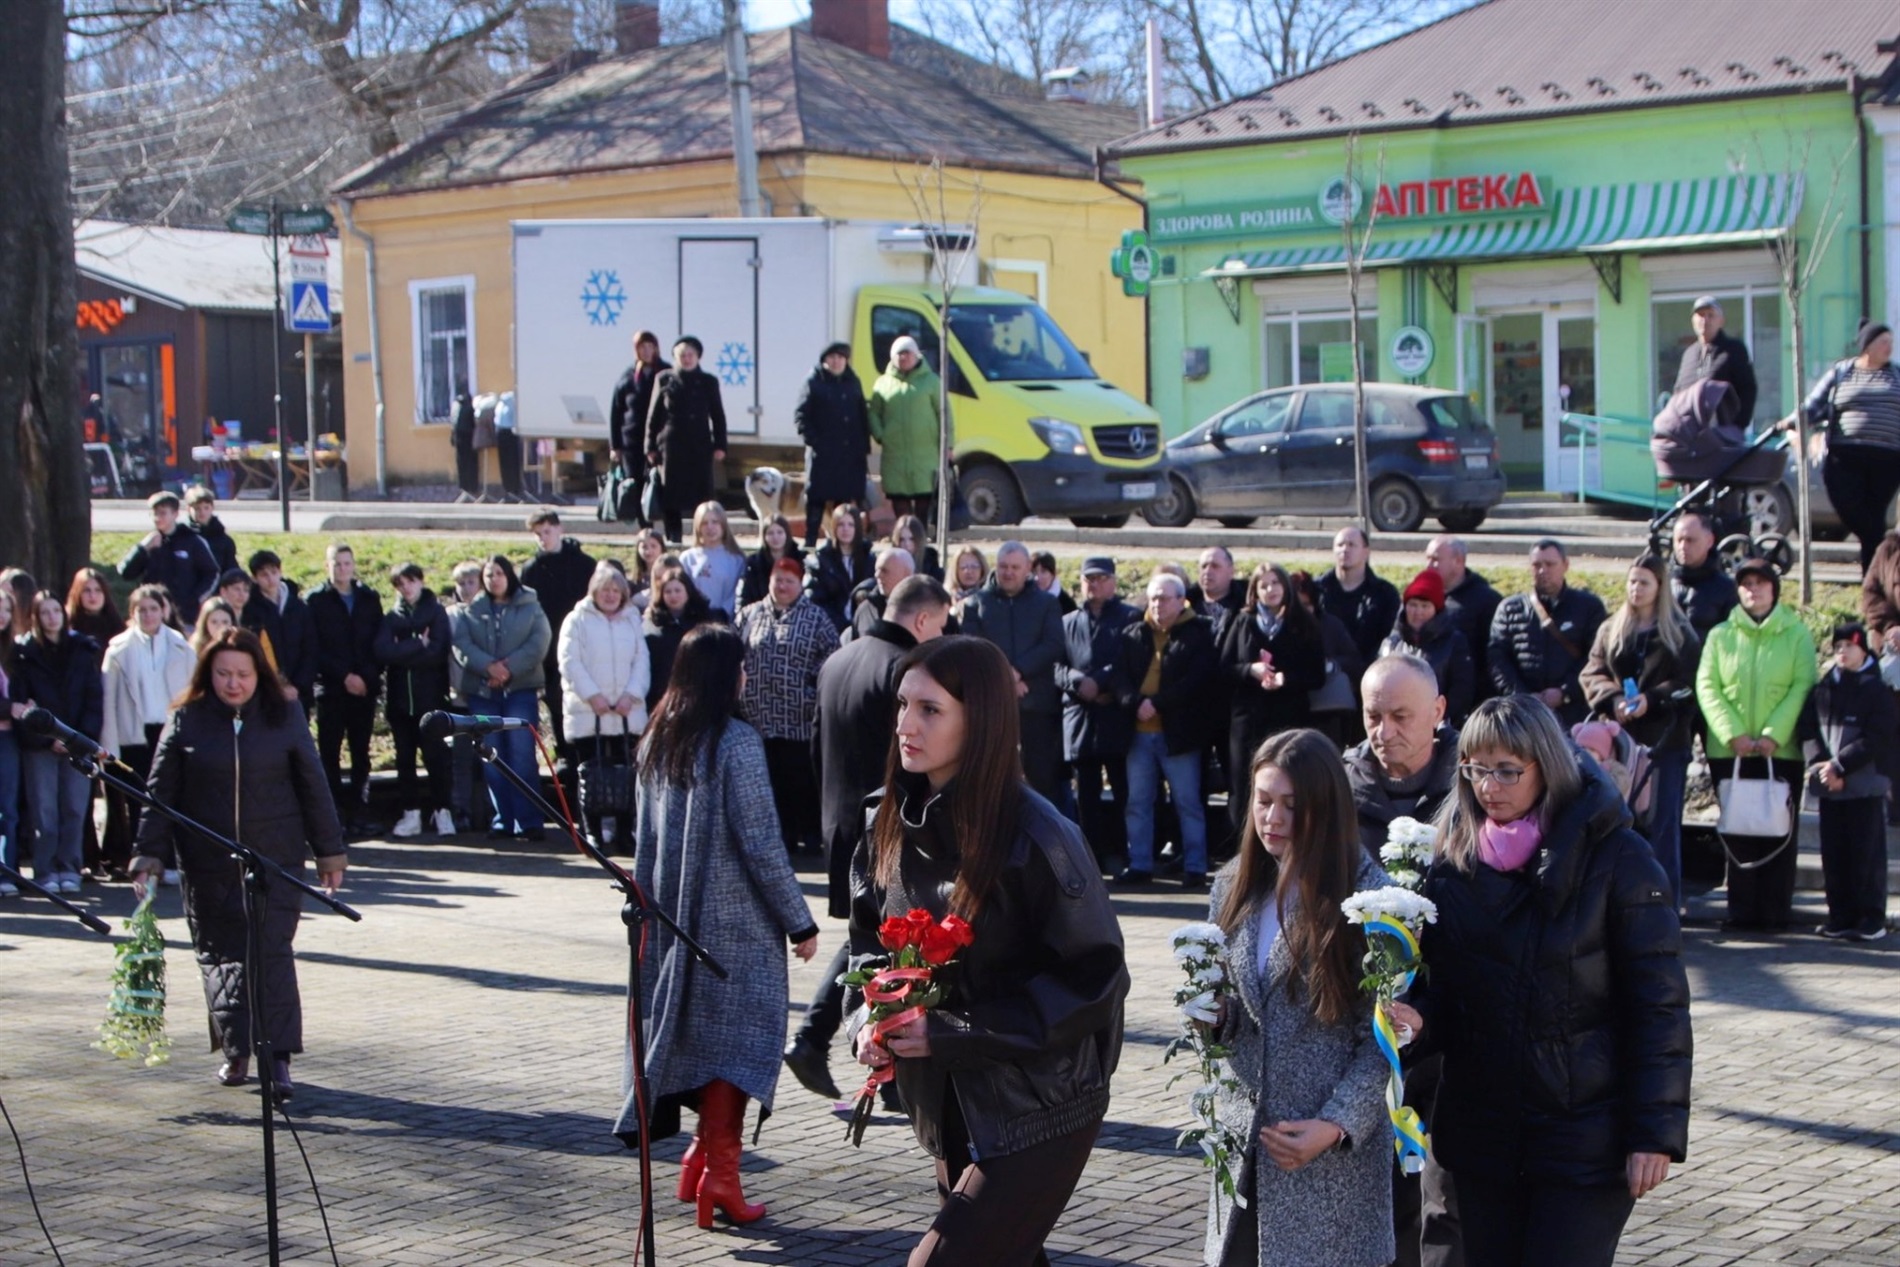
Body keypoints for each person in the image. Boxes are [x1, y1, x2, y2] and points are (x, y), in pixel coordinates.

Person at [848, 635, 1127, 1266]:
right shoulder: (883, 823)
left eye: (929, 709)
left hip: (1043, 1102)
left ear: (982, 721)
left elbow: (1096, 980)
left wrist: (950, 1032)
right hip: (948, 1097)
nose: (904, 726)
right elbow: (866, 947)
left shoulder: (1041, 839)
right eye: (902, 705)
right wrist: (869, 1019)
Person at [1397, 696, 1691, 1267]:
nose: (1489, 786)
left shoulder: (1619, 857)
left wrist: (1654, 1132)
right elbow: (1448, 992)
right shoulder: (1450, 862)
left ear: (1547, 766)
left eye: (1508, 770)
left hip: (1584, 1137)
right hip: (1485, 1138)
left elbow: (1658, 1006)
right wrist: (1418, 1018)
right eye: (1476, 769)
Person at [614, 624, 820, 1228]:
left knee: (707, 1047)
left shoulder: (657, 739)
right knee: (738, 1050)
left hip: (673, 924)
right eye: (741, 666)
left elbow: (643, 842)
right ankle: (721, 1180)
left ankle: (699, 1165)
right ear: (723, 675)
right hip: (737, 931)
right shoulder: (736, 743)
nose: (747, 677)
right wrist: (799, 920)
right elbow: (760, 844)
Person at [1203, 728, 1396, 1267]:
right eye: (1264, 802)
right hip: (1245, 1152)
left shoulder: (1368, 898)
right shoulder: (1232, 886)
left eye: (1292, 805)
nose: (1273, 819)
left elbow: (1381, 1038)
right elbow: (1231, 1014)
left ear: (1326, 807)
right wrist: (1213, 1019)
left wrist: (1336, 1126)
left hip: (1327, 1162)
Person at [129, 629, 346, 1101]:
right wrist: (147, 856)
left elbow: (314, 786)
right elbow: (159, 795)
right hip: (207, 863)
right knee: (222, 956)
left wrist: (329, 853)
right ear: (209, 673)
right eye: (224, 674)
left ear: (258, 674)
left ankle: (279, 1058)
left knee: (270, 955)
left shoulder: (284, 714)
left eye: (243, 674)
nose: (234, 683)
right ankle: (237, 1052)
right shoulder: (185, 719)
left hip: (275, 859)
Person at [786, 575, 953, 1101]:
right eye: (941, 626)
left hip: (839, 815)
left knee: (874, 933)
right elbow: (909, 753)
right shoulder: (906, 672)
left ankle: (841, 1049)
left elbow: (816, 742)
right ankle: (826, 1041)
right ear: (923, 620)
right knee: (890, 935)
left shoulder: (841, 657)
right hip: (887, 821)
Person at [1696, 559, 1816, 932]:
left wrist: (1772, 734)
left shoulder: (1797, 634)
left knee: (1778, 830)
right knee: (1740, 830)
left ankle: (1775, 912)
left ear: (1774, 589)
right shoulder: (1720, 636)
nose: (1754, 590)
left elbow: (1803, 685)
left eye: (1761, 583)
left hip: (1779, 753)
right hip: (1730, 752)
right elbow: (1708, 686)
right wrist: (1732, 733)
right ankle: (1742, 912)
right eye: (1746, 583)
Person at [1579, 555, 1702, 911]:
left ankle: (1664, 906)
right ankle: (1618, 905)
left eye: (1644, 583)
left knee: (1662, 828)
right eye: (1632, 581)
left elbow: (1689, 685)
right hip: (1619, 742)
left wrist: (1653, 699)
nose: (1636, 589)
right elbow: (1592, 672)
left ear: (1660, 588)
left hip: (1665, 742)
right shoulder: (1611, 629)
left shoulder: (1679, 633)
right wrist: (1613, 697)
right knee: (1617, 824)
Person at [1114, 572, 1215, 888]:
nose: (1158, 604)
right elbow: (1118, 678)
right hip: (1139, 732)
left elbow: (1198, 680)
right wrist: (1135, 702)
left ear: (1180, 600)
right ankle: (1140, 863)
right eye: (1153, 597)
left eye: (1165, 597)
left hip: (1178, 733)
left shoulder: (1198, 633)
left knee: (1187, 801)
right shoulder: (1133, 633)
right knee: (1138, 801)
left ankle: (1196, 866)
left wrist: (1157, 703)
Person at [735, 556, 840, 853]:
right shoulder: (750, 615)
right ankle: (773, 837)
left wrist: (810, 690)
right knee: (766, 782)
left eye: (789, 581)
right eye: (778, 579)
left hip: (799, 719)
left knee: (798, 781)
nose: (782, 586)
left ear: (800, 584)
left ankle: (805, 835)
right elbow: (733, 653)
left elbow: (833, 656)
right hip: (757, 719)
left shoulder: (816, 617)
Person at [1800, 623, 1897, 941]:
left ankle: (1870, 919)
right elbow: (1808, 729)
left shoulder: (1876, 688)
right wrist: (1819, 766)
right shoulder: (1825, 686)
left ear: (1863, 650)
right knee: (1835, 854)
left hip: (1864, 785)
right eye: (1838, 646)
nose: (1842, 652)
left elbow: (1879, 737)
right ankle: (1839, 917)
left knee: (1866, 854)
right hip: (1830, 784)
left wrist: (1840, 766)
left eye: (1849, 647)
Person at [1218, 564, 1327, 834]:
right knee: (1245, 789)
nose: (1271, 590)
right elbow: (1223, 667)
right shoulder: (1243, 621)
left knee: (1289, 784)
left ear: (1285, 587)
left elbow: (1317, 674)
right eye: (1263, 585)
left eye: (1275, 583)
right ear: (1254, 592)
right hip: (1248, 723)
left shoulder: (1303, 623)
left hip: (1288, 720)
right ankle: (1241, 852)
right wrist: (1249, 670)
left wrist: (1286, 679)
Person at [958, 541, 1068, 804]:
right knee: (988, 776)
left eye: (1015, 567)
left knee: (1040, 780)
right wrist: (1006, 676)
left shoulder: (1047, 604)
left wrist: (1019, 671)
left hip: (1036, 705)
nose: (1008, 573)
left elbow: (1053, 644)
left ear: (1027, 568)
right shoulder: (976, 603)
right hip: (992, 704)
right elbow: (973, 644)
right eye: (1004, 566)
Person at [9, 591, 105, 894]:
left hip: (76, 741)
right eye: (45, 612)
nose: (52, 617)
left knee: (75, 809)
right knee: (44, 812)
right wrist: (44, 737)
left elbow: (93, 700)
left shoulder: (82, 650)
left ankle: (70, 867)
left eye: (56, 611)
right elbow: (23, 703)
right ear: (36, 618)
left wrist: (77, 739)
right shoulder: (25, 654)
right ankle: (45, 870)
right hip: (40, 746)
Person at [451, 555, 552, 840]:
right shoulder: (474, 610)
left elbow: (539, 641)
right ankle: (503, 820)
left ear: (509, 575)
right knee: (492, 759)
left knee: (521, 757)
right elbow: (462, 644)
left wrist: (508, 669)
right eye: (488, 575)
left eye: (498, 573)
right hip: (484, 693)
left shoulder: (530, 605)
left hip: (519, 691)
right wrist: (488, 667)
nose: (493, 579)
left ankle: (529, 820)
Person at [100, 584, 194, 878]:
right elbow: (109, 700)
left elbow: (193, 693)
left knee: (170, 797)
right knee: (139, 802)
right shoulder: (118, 650)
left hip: (169, 731)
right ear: (133, 613)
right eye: (142, 610)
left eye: (154, 608)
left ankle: (169, 861)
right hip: (134, 735)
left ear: (164, 610)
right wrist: (110, 746)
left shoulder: (181, 646)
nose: (149, 615)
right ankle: (144, 860)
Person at [558, 562, 651, 851]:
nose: (610, 595)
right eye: (605, 590)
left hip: (626, 713)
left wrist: (631, 695)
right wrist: (593, 696)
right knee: (589, 774)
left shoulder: (632, 619)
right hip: (590, 713)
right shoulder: (577, 620)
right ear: (594, 591)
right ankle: (592, 832)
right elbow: (570, 662)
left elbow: (642, 661)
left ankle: (625, 832)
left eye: (615, 590)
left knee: (627, 775)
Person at [1058, 557, 1138, 874]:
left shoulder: (1130, 617)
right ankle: (1089, 858)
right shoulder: (1067, 622)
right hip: (1080, 719)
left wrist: (1101, 680)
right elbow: (1055, 665)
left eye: (1102, 578)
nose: (1094, 584)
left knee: (1123, 791)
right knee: (1086, 795)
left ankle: (1122, 853)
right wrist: (1078, 682)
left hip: (1115, 715)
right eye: (1089, 578)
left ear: (1114, 582)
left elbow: (1128, 659)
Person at [1803, 321, 1900, 573]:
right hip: (1844, 458)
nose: (1889, 346)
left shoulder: (1897, 375)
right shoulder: (1841, 373)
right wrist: (1793, 422)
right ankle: (1881, 572)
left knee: (1874, 519)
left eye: (1891, 341)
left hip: (1887, 460)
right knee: (1862, 519)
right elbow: (1813, 405)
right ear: (1866, 346)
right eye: (1883, 341)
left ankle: (1873, 584)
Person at [1346, 653, 1459, 857]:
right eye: (1373, 717)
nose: (1384, 733)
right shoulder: (1341, 786)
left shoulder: (1472, 785)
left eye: (1400, 717)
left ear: (1437, 711)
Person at [306, 543, 384, 836]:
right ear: (327, 566)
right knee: (329, 753)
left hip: (364, 689)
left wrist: (364, 676)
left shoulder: (368, 598)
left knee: (361, 752)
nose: (342, 569)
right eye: (336, 564)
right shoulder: (315, 600)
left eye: (346, 563)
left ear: (354, 565)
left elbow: (377, 641)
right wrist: (344, 676)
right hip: (332, 688)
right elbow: (315, 646)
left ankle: (359, 812)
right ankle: (333, 814)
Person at [375, 564, 455, 839]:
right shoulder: (390, 617)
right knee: (404, 759)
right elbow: (384, 651)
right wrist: (416, 644)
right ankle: (410, 813)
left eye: (410, 581)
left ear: (420, 582)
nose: (406, 588)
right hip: (400, 703)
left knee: (435, 758)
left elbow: (436, 652)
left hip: (430, 701)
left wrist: (405, 648)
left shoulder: (436, 612)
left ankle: (441, 809)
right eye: (400, 584)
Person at [1487, 540, 1606, 727]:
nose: (1543, 571)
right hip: (1522, 717)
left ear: (1565, 565)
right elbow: (1498, 659)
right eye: (1536, 565)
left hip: (1574, 715)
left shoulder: (1589, 607)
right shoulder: (1510, 608)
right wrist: (1521, 696)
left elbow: (1595, 657)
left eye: (1550, 564)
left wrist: (1565, 692)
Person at [520, 510, 598, 772]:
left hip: (582, 642)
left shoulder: (584, 564)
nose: (543, 538)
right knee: (555, 701)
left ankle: (589, 752)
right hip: (549, 646)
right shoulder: (531, 570)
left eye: (547, 532)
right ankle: (563, 751)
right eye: (538, 534)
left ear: (559, 529)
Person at [643, 335, 728, 543]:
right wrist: (650, 446)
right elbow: (653, 417)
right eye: (682, 355)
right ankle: (674, 538)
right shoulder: (664, 379)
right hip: (671, 445)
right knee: (671, 495)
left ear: (698, 357)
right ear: (675, 357)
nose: (687, 359)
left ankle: (704, 536)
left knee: (703, 496)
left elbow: (718, 415)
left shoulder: (709, 382)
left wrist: (720, 445)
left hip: (699, 444)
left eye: (691, 354)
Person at [795, 341, 871, 547]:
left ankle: (842, 543)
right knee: (817, 500)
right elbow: (801, 417)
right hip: (823, 456)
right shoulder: (813, 382)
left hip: (849, 456)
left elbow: (862, 415)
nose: (836, 362)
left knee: (844, 504)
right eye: (832, 358)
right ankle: (810, 541)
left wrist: (864, 447)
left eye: (841, 358)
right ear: (825, 360)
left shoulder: (853, 381)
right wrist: (816, 442)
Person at [1382, 568, 1477, 726]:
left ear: (1436, 609)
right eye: (1413, 604)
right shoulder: (1392, 642)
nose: (1418, 611)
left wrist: (1437, 721)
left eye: (1425, 606)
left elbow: (1461, 691)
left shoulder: (1454, 642)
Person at [868, 335, 942, 523]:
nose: (904, 358)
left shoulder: (932, 381)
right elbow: (873, 413)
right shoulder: (883, 383)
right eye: (899, 354)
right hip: (895, 455)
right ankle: (904, 535)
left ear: (916, 355)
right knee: (898, 498)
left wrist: (947, 446)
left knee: (924, 498)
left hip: (925, 455)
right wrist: (880, 435)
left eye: (907, 353)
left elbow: (944, 414)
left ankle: (921, 536)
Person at [119, 491, 220, 624]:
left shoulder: (192, 541)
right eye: (154, 513)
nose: (158, 518)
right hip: (153, 616)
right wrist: (142, 548)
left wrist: (195, 598)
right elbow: (125, 572)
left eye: (163, 513)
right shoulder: (149, 543)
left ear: (175, 514)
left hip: (185, 617)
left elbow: (212, 572)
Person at [1318, 526, 1403, 684]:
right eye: (1340, 545)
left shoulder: (1385, 594)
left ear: (1366, 551)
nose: (1345, 550)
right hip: (1324, 675)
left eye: (1352, 545)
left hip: (1371, 675)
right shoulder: (1316, 590)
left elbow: (1390, 637)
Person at [1425, 535, 1501, 698]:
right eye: (1428, 558)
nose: (1429, 566)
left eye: (1436, 559)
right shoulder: (1423, 596)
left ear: (1458, 561)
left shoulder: (1486, 600)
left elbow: (1494, 655)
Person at [643, 562, 723, 712]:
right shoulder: (652, 624)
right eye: (668, 591)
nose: (673, 596)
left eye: (677, 590)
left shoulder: (706, 620)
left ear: (688, 591)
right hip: (662, 699)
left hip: (699, 698)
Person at [241, 550, 317, 705]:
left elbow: (310, 648)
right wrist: (275, 686)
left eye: (274, 572)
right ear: (254, 578)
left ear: (280, 572)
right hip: (265, 692)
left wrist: (298, 685)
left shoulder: (299, 608)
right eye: (264, 575)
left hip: (299, 692)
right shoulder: (249, 610)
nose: (270, 579)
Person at [610, 329, 670, 520]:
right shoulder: (628, 376)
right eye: (641, 347)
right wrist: (615, 446)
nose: (646, 351)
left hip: (659, 442)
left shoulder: (665, 372)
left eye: (649, 346)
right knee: (635, 486)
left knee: (660, 485)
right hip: (632, 442)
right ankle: (643, 528)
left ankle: (666, 528)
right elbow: (616, 413)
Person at [1673, 296, 1758, 426]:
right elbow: (1678, 394)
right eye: (1700, 315)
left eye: (1710, 315)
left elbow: (1748, 390)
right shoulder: (1689, 354)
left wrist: (1737, 427)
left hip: (1723, 438)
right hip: (1689, 438)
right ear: (1693, 321)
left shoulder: (1733, 350)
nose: (1705, 320)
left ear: (1721, 321)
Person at [804, 502, 875, 632]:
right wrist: (841, 624)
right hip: (831, 628)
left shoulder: (869, 560)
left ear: (857, 528)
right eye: (841, 524)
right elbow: (815, 599)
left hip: (864, 626)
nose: (845, 529)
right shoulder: (821, 561)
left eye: (850, 525)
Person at [1668, 511, 1737, 641]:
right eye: (1679, 540)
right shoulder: (1662, 584)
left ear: (1709, 541)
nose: (1683, 547)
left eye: (1690, 540)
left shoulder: (1727, 589)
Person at [678, 500, 745, 619]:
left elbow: (735, 594)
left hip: (725, 621)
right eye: (704, 523)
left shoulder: (736, 560)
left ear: (723, 525)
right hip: (695, 621)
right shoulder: (687, 558)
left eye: (715, 522)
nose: (710, 527)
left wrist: (721, 614)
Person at [847, 546, 914, 641]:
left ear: (906, 574)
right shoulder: (866, 609)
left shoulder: (924, 607)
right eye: (876, 570)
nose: (877, 575)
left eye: (884, 570)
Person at [739, 514, 803, 608]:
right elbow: (745, 596)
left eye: (780, 532)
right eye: (770, 533)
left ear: (787, 534)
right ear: (764, 537)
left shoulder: (801, 560)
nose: (775, 537)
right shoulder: (754, 563)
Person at [0, 591, 19, 895]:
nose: (1, 614)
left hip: (8, 738)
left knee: (8, 809)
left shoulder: (16, 651)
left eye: (6, 609)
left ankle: (8, 871)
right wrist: (9, 708)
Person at [183, 485, 240, 574]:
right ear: (188, 509)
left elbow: (231, 570)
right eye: (197, 508)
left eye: (206, 508)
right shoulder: (181, 536)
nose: (202, 512)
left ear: (212, 508)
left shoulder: (224, 540)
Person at [66, 567, 124, 645]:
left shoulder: (116, 625)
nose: (93, 596)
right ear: (77, 594)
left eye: (98, 590)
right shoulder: (67, 624)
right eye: (86, 590)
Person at [451, 386, 482, 502]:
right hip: (470, 439)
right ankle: (472, 487)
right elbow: (475, 424)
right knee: (471, 464)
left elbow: (453, 424)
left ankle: (464, 488)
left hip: (459, 439)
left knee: (462, 464)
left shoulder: (456, 408)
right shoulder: (471, 408)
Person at [890, 514, 942, 583]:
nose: (906, 544)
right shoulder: (890, 562)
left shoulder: (932, 568)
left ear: (919, 539)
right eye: (902, 539)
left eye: (911, 539)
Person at [1031, 551, 1079, 616]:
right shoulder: (1022, 598)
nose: (1037, 578)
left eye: (1043, 571)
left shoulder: (1067, 604)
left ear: (1053, 574)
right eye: (1034, 572)